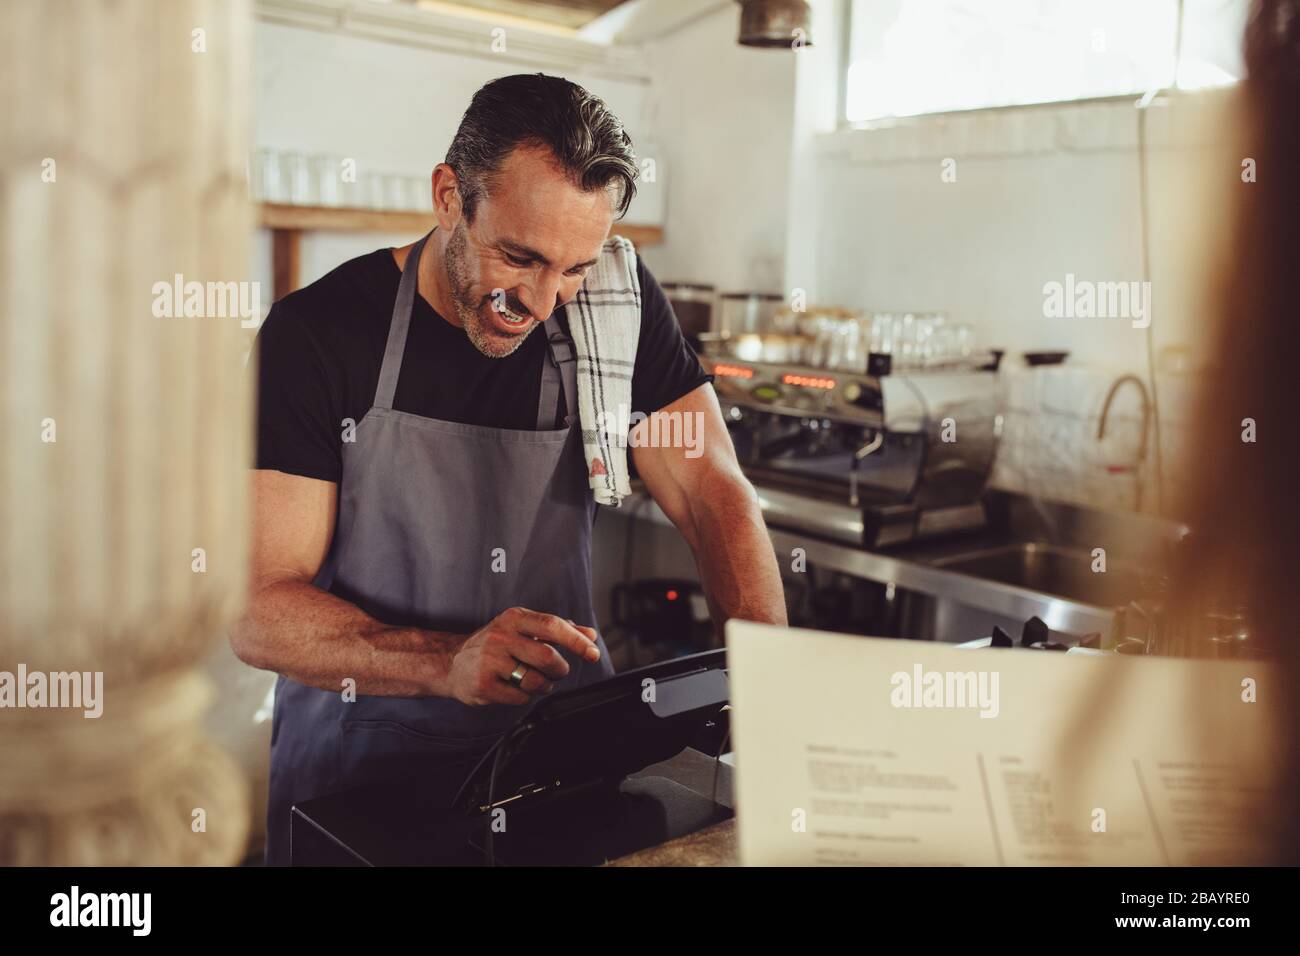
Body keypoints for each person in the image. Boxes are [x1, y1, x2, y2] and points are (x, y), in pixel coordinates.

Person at [232, 74, 788, 865]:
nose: (543, 300)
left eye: (573, 268)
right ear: (449, 196)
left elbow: (712, 493)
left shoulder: (611, 317)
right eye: (519, 258)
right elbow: (256, 609)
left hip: (556, 776)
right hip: (359, 793)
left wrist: (773, 680)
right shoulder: (318, 335)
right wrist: (444, 661)